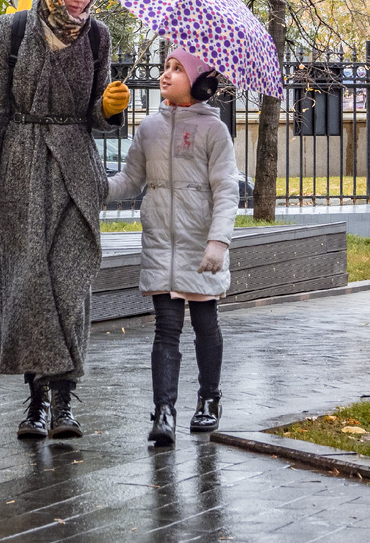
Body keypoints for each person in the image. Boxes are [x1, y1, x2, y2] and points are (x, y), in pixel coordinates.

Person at [0, 0, 130, 440]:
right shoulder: (9, 32)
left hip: (76, 171)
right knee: (31, 285)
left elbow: (97, 118)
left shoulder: (97, 37)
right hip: (20, 172)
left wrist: (109, 109)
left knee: (69, 285)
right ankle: (36, 401)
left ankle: (65, 400)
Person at [106, 49, 238, 446]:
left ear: (198, 82)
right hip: (161, 244)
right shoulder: (149, 128)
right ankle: (164, 411)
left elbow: (227, 190)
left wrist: (218, 242)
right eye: (165, 67)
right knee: (165, 329)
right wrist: (95, 186)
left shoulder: (215, 131)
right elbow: (129, 180)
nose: (166, 74)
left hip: (201, 244)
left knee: (204, 325)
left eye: (177, 69)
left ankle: (209, 398)